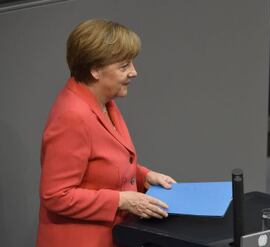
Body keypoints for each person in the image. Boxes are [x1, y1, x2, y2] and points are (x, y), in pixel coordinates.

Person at [36, 19, 176, 247]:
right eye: (124, 66)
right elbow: (56, 195)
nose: (134, 72)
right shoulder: (72, 116)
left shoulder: (103, 102)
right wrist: (121, 200)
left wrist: (144, 176)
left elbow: (102, 165)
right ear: (95, 70)